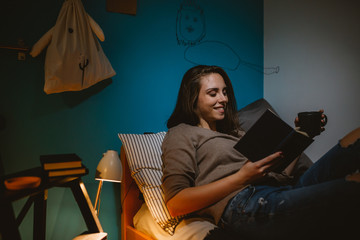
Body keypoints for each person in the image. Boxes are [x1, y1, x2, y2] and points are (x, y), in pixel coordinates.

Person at [161, 65, 360, 239]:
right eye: (213, 93)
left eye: (225, 92)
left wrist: (303, 134)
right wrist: (241, 178)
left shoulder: (236, 132)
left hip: (279, 189)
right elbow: (176, 203)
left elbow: (281, 175)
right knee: (352, 186)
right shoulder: (181, 132)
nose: (224, 99)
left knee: (354, 139)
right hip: (244, 204)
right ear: (193, 98)